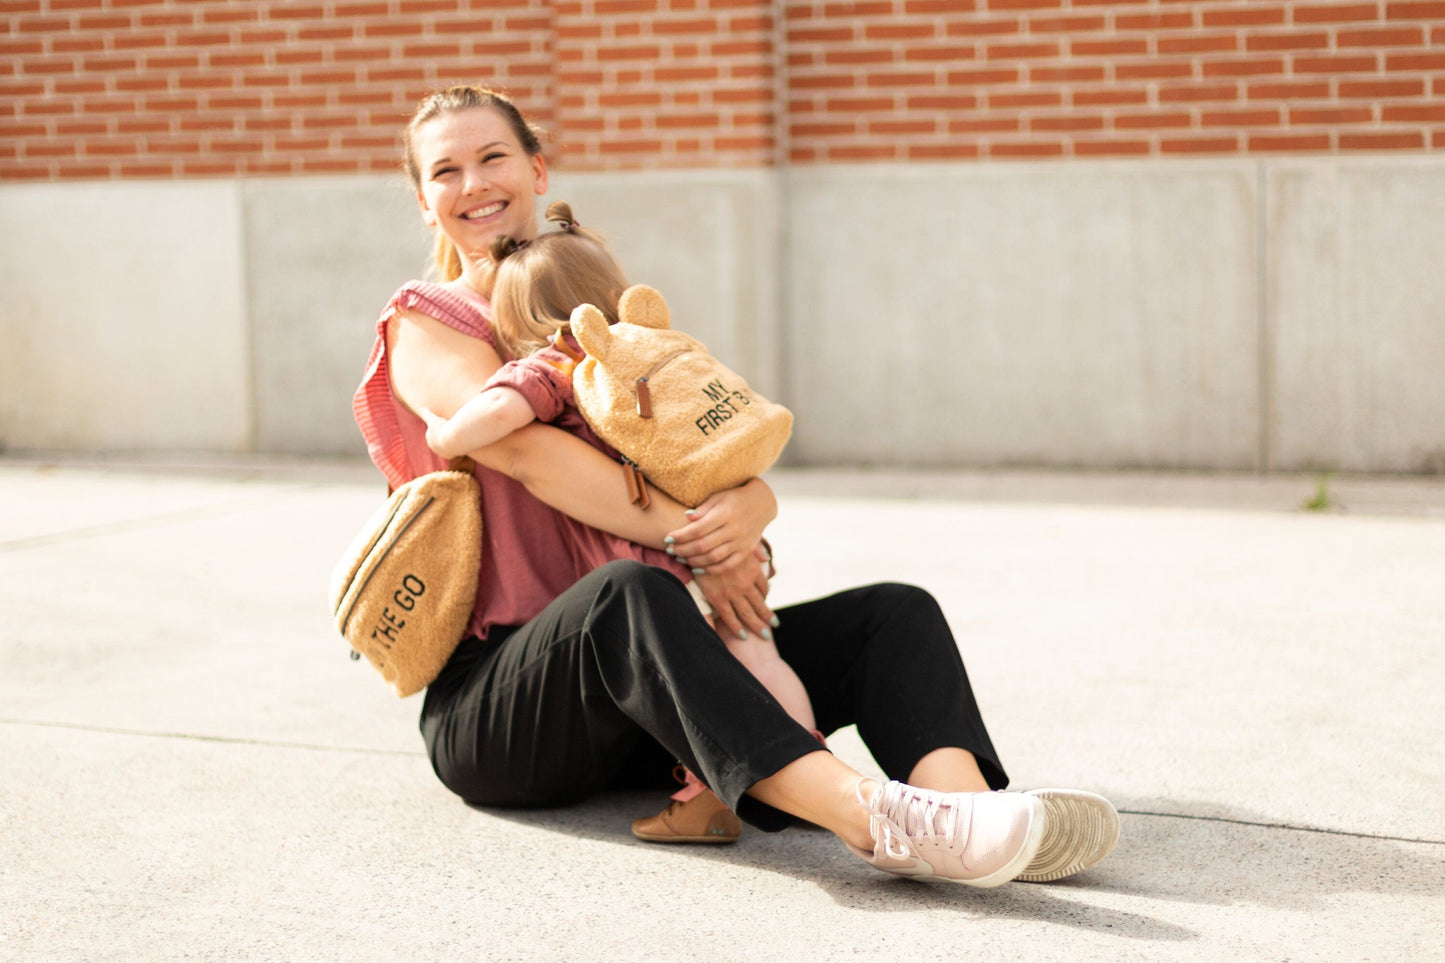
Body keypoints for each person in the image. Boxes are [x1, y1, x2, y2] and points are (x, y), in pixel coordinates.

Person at [352, 83, 1120, 887]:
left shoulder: (594, 313)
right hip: (509, 709)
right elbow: (526, 455)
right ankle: (876, 819)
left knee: (893, 615)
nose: (473, 183)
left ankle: (963, 818)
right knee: (626, 595)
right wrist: (702, 540)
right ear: (423, 199)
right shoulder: (427, 319)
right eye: (446, 170)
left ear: (538, 170)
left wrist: (753, 504)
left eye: (492, 157)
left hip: (650, 696)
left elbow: (693, 448)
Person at [415, 204, 821, 842]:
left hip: (637, 572)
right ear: (614, 295)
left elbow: (493, 417)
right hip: (698, 555)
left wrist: (443, 431)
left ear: (528, 327)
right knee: (753, 656)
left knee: (683, 689)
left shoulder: (563, 367)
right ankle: (809, 768)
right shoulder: (662, 357)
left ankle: (710, 795)